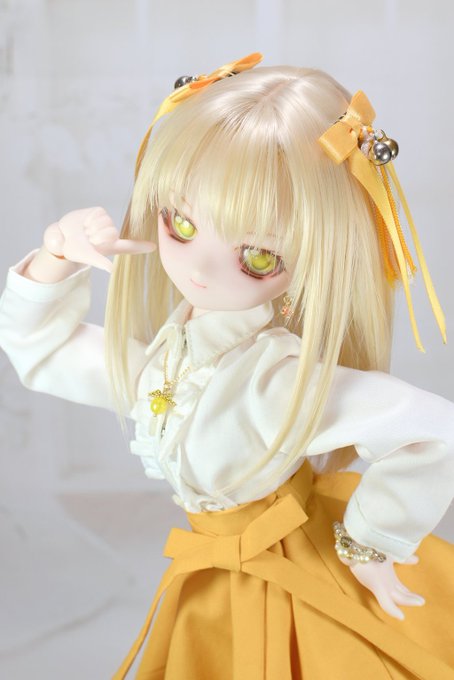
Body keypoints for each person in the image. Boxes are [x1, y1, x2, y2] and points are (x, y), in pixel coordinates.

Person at [1, 53, 453, 679]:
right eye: (181, 223)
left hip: (285, 575)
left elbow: (433, 428)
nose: (200, 269)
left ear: (310, 262)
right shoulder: (166, 364)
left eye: (258, 257)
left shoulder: (275, 380)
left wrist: (371, 540)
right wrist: (56, 259)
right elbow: (43, 350)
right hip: (212, 577)